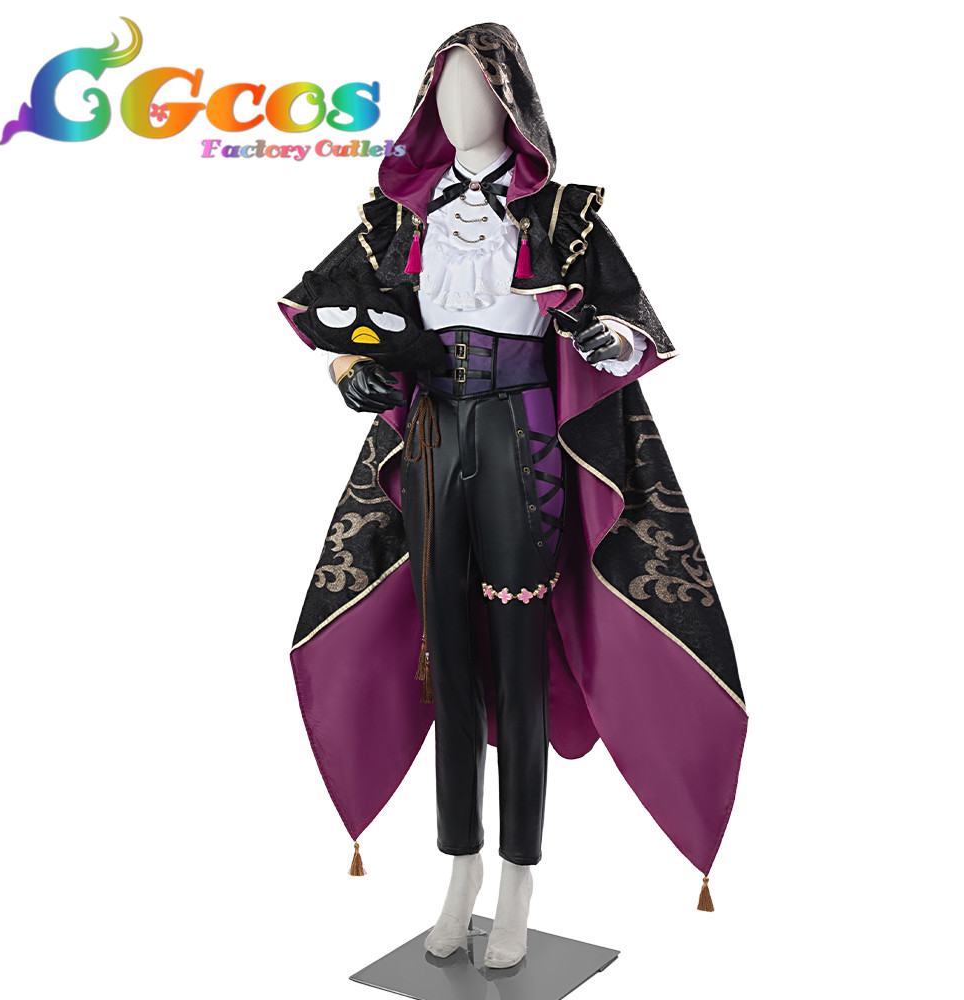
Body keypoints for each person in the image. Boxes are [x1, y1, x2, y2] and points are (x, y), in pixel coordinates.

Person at [278, 23, 748, 970]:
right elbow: (324, 312)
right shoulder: (395, 219)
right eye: (443, 89)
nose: (458, 108)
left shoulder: (564, 215)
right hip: (431, 431)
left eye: (476, 87)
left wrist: (607, 337)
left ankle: (519, 878)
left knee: (520, 656)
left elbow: (632, 322)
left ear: (512, 101)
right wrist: (348, 371)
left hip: (522, 431)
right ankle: (458, 866)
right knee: (446, 651)